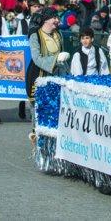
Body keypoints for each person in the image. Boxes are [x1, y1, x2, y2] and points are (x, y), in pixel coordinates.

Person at [27, 8, 70, 140]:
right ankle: (39, 140)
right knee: (39, 110)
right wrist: (55, 60)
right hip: (39, 76)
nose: (57, 21)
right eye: (54, 18)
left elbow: (62, 54)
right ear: (46, 19)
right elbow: (37, 58)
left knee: (56, 109)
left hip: (57, 76)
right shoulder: (35, 35)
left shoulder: (58, 34)